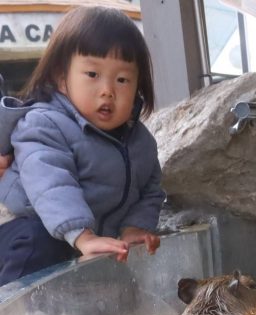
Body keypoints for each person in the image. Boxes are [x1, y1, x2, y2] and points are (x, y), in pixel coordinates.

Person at [0, 6, 163, 287]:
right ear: (60, 77)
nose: (107, 90)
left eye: (122, 79)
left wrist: (135, 227)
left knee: (116, 269)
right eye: (92, 74)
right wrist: (83, 236)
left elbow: (151, 188)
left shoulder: (140, 141)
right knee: (38, 243)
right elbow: (52, 184)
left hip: (86, 239)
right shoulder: (43, 124)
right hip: (28, 235)